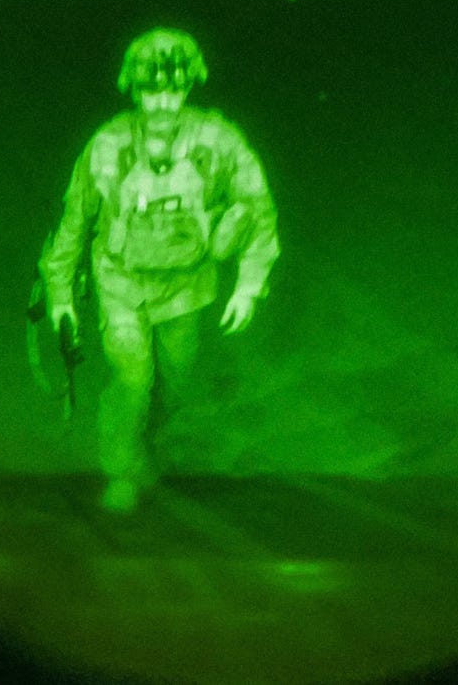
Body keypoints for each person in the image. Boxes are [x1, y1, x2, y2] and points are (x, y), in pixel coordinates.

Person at [39, 28, 280, 513]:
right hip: (120, 281)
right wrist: (60, 293)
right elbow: (75, 219)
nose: (164, 102)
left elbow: (257, 209)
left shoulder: (219, 140)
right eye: (152, 90)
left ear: (190, 85)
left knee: (174, 383)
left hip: (188, 286)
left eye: (173, 88)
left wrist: (249, 286)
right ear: (134, 89)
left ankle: (142, 440)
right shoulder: (107, 144)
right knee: (132, 378)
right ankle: (122, 470)